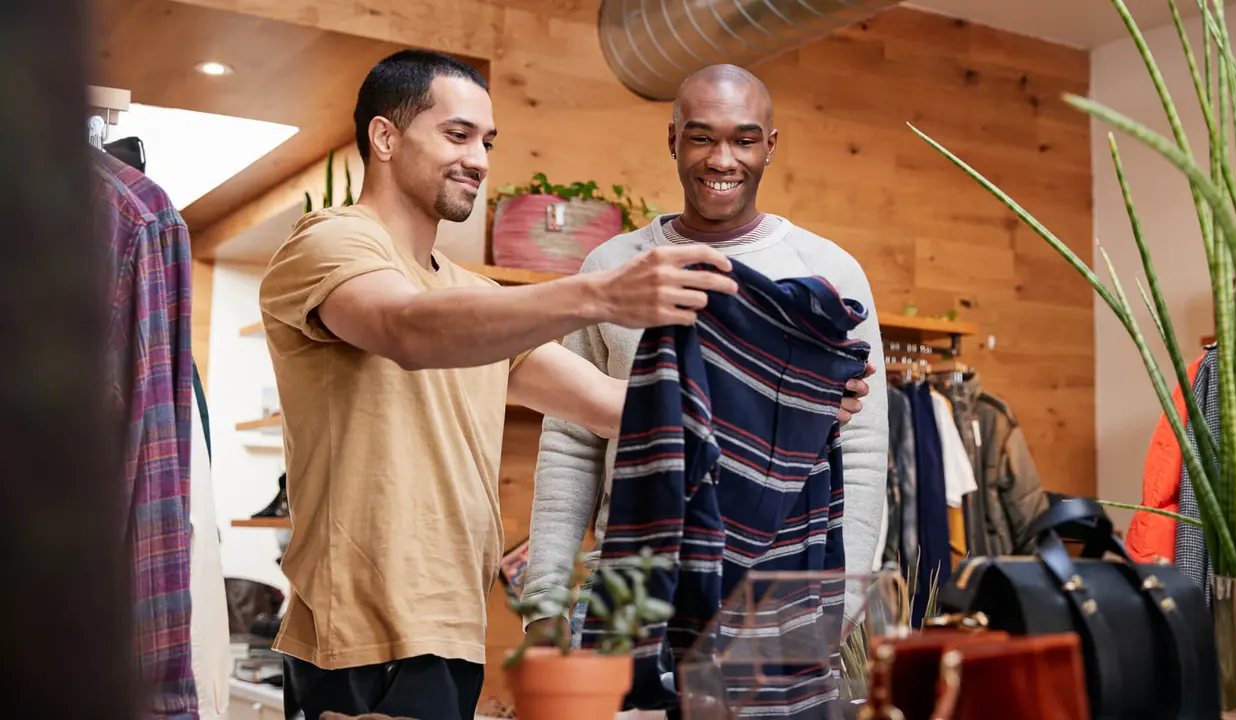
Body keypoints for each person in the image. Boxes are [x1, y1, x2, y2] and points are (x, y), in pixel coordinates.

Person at [257, 50, 745, 720]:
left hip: (453, 633)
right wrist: (596, 295)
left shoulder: (471, 298)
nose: (480, 159)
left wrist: (791, 400)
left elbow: (617, 409)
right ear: (385, 137)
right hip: (358, 641)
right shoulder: (330, 242)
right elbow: (406, 327)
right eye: (457, 135)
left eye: (487, 142)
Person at [522, 63, 889, 649]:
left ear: (770, 147)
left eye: (744, 140)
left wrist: (840, 607)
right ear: (673, 140)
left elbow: (865, 450)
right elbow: (571, 440)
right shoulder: (613, 269)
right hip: (631, 582)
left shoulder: (828, 274)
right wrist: (544, 601)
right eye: (702, 137)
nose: (723, 160)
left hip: (779, 591)